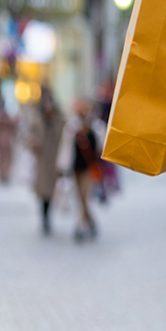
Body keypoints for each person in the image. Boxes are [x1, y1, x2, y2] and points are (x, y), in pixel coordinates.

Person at [26, 89, 65, 236]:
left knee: (53, 192)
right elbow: (29, 137)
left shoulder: (60, 120)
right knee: (43, 193)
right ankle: (45, 219)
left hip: (55, 161)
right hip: (42, 161)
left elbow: (65, 138)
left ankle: (48, 217)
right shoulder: (37, 121)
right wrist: (33, 143)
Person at [68, 99, 99, 242]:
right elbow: (66, 150)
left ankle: (79, 227)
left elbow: (99, 148)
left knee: (84, 198)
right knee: (80, 198)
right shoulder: (72, 129)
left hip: (88, 169)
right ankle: (91, 222)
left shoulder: (95, 129)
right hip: (76, 169)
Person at [0, 101, 18, 184]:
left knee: (4, 158)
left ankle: (4, 173)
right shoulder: (4, 120)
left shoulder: (3, 120)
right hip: (4, 141)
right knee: (4, 158)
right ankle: (3, 173)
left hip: (5, 141)